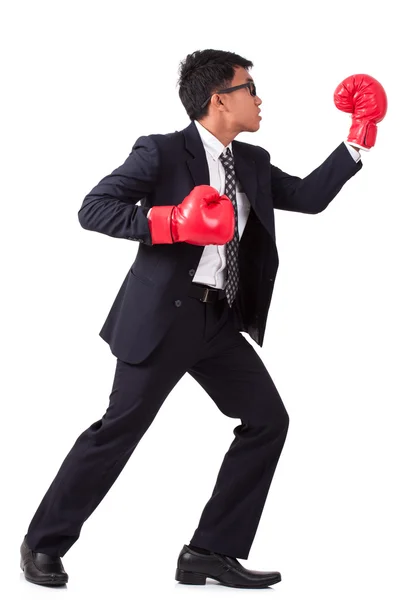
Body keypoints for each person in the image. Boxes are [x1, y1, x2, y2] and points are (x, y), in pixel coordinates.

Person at [21, 49, 384, 590]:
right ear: (219, 98)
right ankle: (43, 543)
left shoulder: (253, 163)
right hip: (165, 317)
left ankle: (209, 551)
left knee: (267, 421)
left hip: (219, 321)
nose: (259, 99)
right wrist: (170, 222)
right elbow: (93, 208)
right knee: (119, 431)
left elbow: (308, 197)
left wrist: (357, 137)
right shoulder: (163, 152)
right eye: (250, 87)